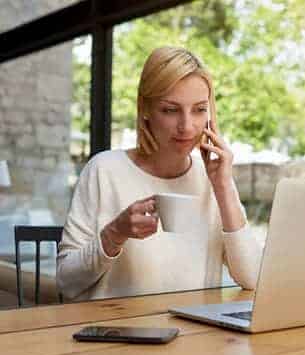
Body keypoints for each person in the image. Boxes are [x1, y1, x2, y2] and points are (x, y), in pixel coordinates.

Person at [57, 46, 261, 300]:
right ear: (146, 110)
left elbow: (252, 278)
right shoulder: (104, 170)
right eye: (170, 110)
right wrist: (114, 234)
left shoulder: (213, 178)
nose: (187, 126)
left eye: (199, 109)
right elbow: (66, 282)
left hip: (197, 335)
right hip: (120, 334)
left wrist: (223, 187)